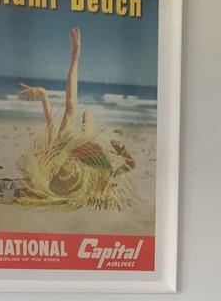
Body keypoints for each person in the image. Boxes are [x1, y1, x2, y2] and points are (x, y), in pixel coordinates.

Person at [13, 27, 136, 211]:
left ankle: (75, 55)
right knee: (83, 113)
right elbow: (131, 164)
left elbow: (51, 128)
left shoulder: (54, 167)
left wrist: (44, 95)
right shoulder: (101, 177)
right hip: (86, 150)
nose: (64, 174)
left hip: (71, 147)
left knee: (73, 107)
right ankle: (76, 55)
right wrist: (122, 150)